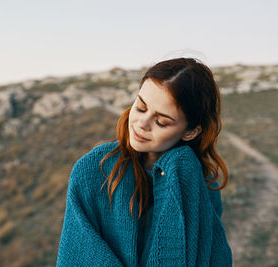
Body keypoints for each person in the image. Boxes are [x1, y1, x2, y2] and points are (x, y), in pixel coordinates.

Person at [56, 57, 233, 266]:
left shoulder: (199, 181)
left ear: (191, 131)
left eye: (161, 121)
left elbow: (211, 256)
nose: (142, 124)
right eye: (140, 107)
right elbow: (78, 253)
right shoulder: (93, 171)